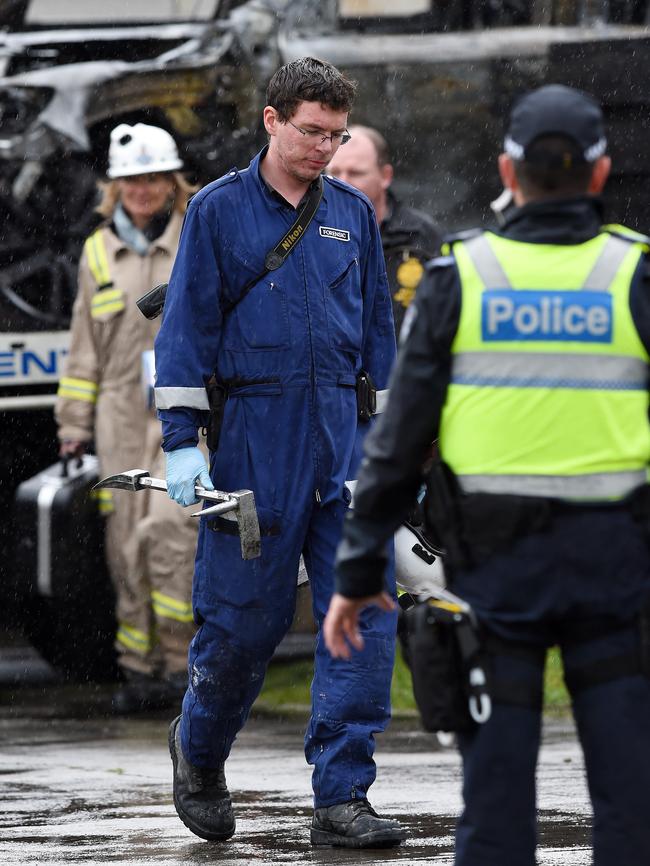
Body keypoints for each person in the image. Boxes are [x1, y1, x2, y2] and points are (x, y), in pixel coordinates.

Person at [324, 84, 650, 865]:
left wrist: (361, 562)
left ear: (508, 168)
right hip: (613, 575)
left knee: (497, 805)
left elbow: (400, 440)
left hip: (493, 580)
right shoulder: (635, 275)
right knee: (631, 801)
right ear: (601, 175)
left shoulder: (460, 276)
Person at [153, 57, 406, 848]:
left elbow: (378, 342)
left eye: (336, 136)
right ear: (271, 119)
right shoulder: (219, 212)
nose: (324, 150)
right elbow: (185, 331)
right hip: (254, 452)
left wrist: (392, 452)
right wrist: (182, 447)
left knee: (362, 618)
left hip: (343, 446)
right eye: (311, 132)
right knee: (242, 629)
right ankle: (197, 752)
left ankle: (343, 796)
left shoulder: (353, 216)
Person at [55, 123, 200, 712]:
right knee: (123, 546)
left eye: (153, 178)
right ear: (115, 188)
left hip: (183, 411)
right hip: (118, 414)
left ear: (172, 184)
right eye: (132, 180)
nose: (143, 190)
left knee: (170, 531)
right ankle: (139, 671)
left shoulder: (196, 235)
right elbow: (83, 344)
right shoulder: (96, 252)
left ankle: (184, 668)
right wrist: (72, 423)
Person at [327, 124, 441, 336]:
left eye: (355, 173)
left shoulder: (421, 237)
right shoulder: (307, 234)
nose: (342, 183)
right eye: (334, 172)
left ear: (385, 176)